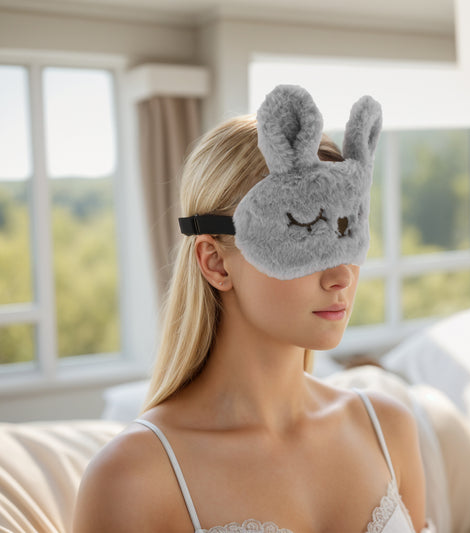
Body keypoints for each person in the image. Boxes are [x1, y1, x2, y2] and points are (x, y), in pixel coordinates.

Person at [73, 87, 431, 533]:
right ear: (216, 262)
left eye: (347, 232)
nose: (341, 276)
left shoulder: (388, 429)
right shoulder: (131, 479)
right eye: (305, 230)